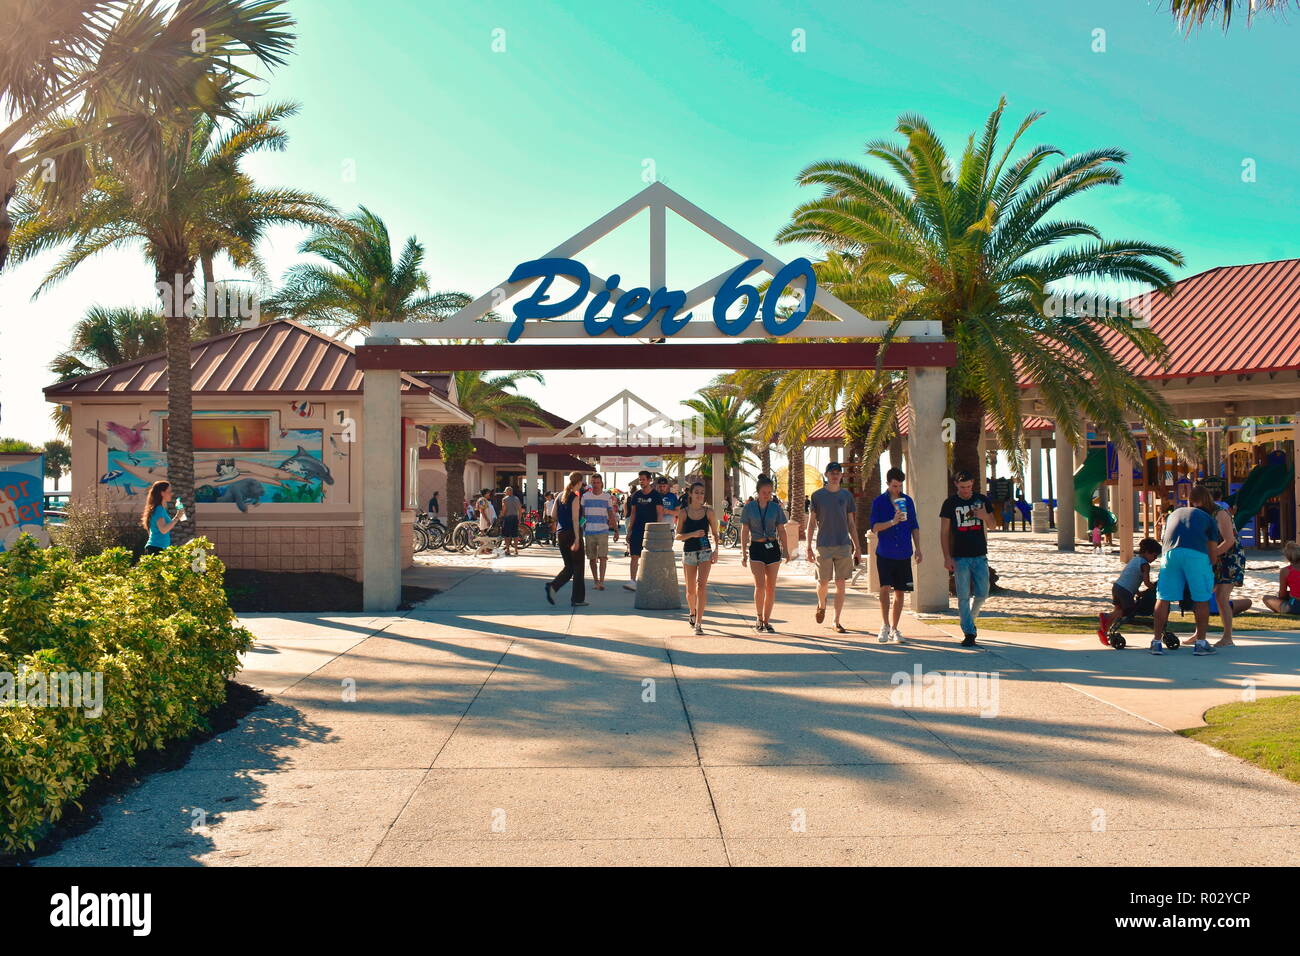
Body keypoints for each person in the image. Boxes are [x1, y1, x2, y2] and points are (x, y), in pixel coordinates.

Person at [1153, 485, 1224, 657]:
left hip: (1169, 554)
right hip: (1196, 556)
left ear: (1190, 500)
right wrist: (1213, 567)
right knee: (1201, 599)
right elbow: (1212, 554)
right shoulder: (1208, 519)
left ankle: (1156, 643)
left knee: (1163, 598)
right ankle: (1200, 643)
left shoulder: (1174, 514)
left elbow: (1165, 538)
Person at [940, 470, 997, 647]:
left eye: (969, 487)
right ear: (956, 484)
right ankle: (969, 632)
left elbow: (994, 525)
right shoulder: (950, 503)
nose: (966, 490)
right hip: (959, 556)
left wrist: (984, 516)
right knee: (963, 595)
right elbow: (944, 532)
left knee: (983, 593)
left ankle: (970, 620)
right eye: (963, 487)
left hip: (980, 555)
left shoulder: (981, 500)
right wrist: (946, 557)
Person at [805, 461, 859, 634]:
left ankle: (836, 621)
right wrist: (808, 546)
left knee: (841, 583)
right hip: (824, 545)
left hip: (843, 544)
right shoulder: (817, 496)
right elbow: (811, 523)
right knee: (822, 582)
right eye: (832, 472)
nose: (835, 475)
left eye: (838, 472)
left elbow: (851, 523)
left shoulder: (847, 496)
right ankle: (821, 605)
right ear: (826, 475)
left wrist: (857, 546)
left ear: (841, 476)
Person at [869, 467, 921, 644]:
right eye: (894, 485)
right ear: (888, 483)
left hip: (904, 552)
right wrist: (892, 521)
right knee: (885, 588)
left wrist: (918, 548)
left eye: (899, 486)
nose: (897, 489)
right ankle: (884, 625)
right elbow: (874, 527)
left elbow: (914, 525)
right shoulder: (879, 502)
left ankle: (895, 628)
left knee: (900, 591)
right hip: (885, 552)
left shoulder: (908, 501)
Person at [739, 474, 789, 633]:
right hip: (756, 547)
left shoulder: (775, 508)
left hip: (773, 547)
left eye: (769, 492)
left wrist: (786, 550)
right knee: (760, 586)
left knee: (771, 588)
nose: (766, 495)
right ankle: (759, 618)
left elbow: (781, 529)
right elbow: (745, 529)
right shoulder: (749, 508)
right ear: (758, 492)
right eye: (764, 492)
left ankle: (767, 621)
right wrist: (743, 552)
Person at [675, 481, 719, 635]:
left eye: (702, 492)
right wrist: (692, 534)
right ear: (691, 494)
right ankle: (692, 612)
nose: (700, 495)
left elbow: (715, 532)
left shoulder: (709, 512)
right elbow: (677, 536)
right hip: (689, 553)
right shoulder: (683, 513)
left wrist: (716, 550)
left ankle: (699, 623)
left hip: (705, 552)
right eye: (697, 492)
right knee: (690, 590)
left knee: (702, 586)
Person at [1100, 538, 1161, 641]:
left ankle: (1104, 632)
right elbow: (1147, 583)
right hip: (1125, 591)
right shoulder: (1145, 565)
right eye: (1154, 555)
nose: (1155, 558)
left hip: (1117, 587)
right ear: (1147, 552)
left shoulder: (1134, 559)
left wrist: (1138, 592)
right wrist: (1156, 588)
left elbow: (1131, 579)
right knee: (1128, 612)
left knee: (1118, 610)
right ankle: (1106, 616)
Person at [544, 472, 588, 607]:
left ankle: (553, 586)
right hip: (572, 534)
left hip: (561, 533)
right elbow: (575, 520)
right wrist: (577, 539)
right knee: (579, 567)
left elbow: (553, 515)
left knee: (569, 566)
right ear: (579, 482)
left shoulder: (559, 496)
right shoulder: (574, 497)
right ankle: (578, 599)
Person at [624, 470, 664, 591]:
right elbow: (633, 513)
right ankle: (632, 581)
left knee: (650, 557)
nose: (641, 482)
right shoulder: (636, 495)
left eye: (643, 479)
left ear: (649, 480)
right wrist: (629, 530)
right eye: (640, 479)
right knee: (634, 556)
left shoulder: (656, 495)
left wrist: (657, 530)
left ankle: (651, 581)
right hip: (637, 530)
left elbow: (660, 514)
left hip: (651, 531)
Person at [1211, 499, 1244, 647]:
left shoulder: (1220, 513)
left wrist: (1212, 554)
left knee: (1221, 597)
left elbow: (1229, 541)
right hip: (1219, 558)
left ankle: (1227, 637)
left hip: (1230, 559)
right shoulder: (1208, 513)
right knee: (1205, 595)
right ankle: (1199, 633)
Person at [581, 474, 620, 590]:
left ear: (601, 483)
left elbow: (611, 514)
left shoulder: (607, 497)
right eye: (593, 482)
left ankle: (601, 582)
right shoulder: (585, 496)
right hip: (589, 531)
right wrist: (579, 528)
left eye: (598, 482)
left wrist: (616, 530)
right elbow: (582, 515)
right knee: (592, 558)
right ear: (591, 484)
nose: (596, 485)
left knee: (603, 557)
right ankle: (596, 581)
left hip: (603, 530)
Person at [141, 480, 182, 554]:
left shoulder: (159, 508)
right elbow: (163, 530)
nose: (171, 494)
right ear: (162, 493)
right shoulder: (159, 509)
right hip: (156, 549)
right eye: (169, 492)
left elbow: (152, 531)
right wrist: (177, 516)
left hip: (157, 548)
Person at [1262, 541, 1300, 615]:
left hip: (1295, 605)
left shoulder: (1286, 571)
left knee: (1266, 598)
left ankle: (1284, 611)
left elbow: (1282, 594)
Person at [499, 485, 523, 556]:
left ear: (507, 492)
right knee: (515, 534)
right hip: (515, 517)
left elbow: (504, 509)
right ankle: (516, 550)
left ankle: (508, 550)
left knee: (507, 535)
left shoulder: (504, 499)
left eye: (505, 491)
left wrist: (501, 515)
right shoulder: (516, 498)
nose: (505, 492)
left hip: (507, 517)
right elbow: (520, 509)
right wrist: (519, 519)